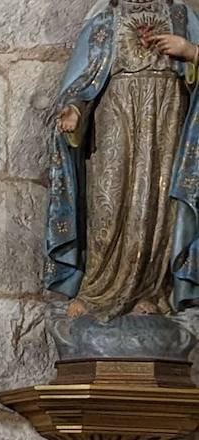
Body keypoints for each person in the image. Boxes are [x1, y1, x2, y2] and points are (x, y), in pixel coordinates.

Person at [46, 0, 199, 320]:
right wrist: (73, 109)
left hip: (166, 120)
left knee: (157, 207)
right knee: (109, 204)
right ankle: (95, 289)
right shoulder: (105, 22)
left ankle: (151, 291)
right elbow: (82, 80)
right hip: (116, 117)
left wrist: (191, 52)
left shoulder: (181, 17)